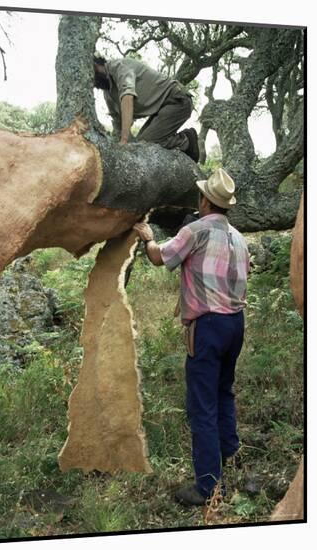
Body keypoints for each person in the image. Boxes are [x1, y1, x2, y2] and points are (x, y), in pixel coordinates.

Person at [134, 168, 250, 506]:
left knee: (202, 405)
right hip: (235, 324)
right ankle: (231, 456)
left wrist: (147, 237)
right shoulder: (239, 237)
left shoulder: (195, 231)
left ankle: (208, 487)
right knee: (223, 392)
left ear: (204, 200)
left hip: (209, 326)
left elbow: (159, 258)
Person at [94, 55, 199, 162]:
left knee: (147, 145)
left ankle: (186, 140)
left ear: (96, 65)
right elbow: (118, 123)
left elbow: (127, 97)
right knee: (138, 144)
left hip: (177, 100)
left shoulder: (118, 66)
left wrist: (124, 140)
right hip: (160, 111)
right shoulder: (108, 95)